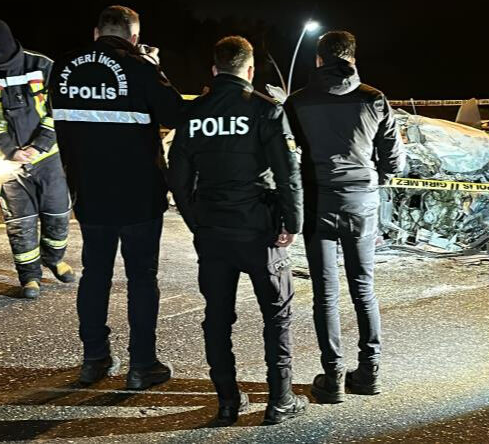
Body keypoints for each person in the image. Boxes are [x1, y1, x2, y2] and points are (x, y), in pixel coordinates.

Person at [168, 36, 307, 426]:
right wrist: (292, 223)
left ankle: (227, 401)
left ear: (214, 70)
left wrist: (196, 221)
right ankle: (279, 401)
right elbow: (287, 174)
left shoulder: (194, 114)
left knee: (217, 317)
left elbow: (178, 179)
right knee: (276, 316)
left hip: (213, 231)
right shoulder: (266, 111)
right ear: (249, 71)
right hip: (260, 231)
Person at [49, 5, 185, 389]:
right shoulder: (140, 67)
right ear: (135, 37)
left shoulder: (64, 67)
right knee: (142, 278)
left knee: (95, 275)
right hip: (139, 194)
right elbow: (175, 113)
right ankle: (142, 366)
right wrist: (154, 66)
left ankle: (94, 359)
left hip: (90, 191)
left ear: (97, 33)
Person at [284, 30, 405, 403]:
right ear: (352, 58)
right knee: (363, 288)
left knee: (325, 292)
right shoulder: (374, 99)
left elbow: (286, 157)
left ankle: (333, 375)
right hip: (361, 203)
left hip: (317, 201)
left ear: (318, 60)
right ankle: (369, 372)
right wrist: (374, 180)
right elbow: (394, 160)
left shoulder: (297, 102)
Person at [0, 19, 74, 299]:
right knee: (20, 223)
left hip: (47, 158)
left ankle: (54, 259)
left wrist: (39, 146)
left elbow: (58, 110)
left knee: (58, 214)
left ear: (4, 41)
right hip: (9, 164)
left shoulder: (42, 66)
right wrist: (10, 150)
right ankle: (29, 277)